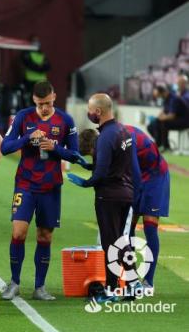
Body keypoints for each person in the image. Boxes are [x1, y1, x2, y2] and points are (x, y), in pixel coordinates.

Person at [0, 81, 80, 301]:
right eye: (39, 103)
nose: (44, 108)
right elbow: (5, 148)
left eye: (47, 103)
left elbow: (75, 155)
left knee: (45, 236)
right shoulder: (23, 117)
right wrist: (27, 138)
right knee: (18, 233)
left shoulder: (65, 120)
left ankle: (40, 287)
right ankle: (14, 283)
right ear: (33, 100)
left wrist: (56, 149)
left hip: (51, 186)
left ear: (54, 96)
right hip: (25, 184)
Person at [78, 123, 169, 293]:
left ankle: (148, 282)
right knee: (128, 228)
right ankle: (130, 278)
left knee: (150, 226)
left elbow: (130, 166)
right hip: (135, 176)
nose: (94, 156)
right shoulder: (107, 139)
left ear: (94, 145)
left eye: (92, 153)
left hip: (155, 175)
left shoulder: (120, 136)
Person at [67, 93, 138, 300]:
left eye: (90, 110)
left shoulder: (105, 137)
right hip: (126, 193)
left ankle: (111, 289)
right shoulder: (123, 131)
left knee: (110, 244)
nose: (89, 114)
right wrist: (88, 164)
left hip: (108, 196)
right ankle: (132, 284)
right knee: (122, 241)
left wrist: (86, 182)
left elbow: (101, 174)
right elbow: (115, 164)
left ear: (98, 111)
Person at [147, 85, 189, 151]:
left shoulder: (174, 99)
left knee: (163, 123)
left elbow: (172, 116)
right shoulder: (165, 100)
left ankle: (165, 146)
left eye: (158, 96)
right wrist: (158, 118)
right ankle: (159, 143)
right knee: (151, 125)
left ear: (162, 92)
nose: (158, 98)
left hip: (184, 121)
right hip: (174, 120)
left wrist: (161, 118)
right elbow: (163, 112)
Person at [20, 36, 50, 104]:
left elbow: (48, 66)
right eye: (34, 41)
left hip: (42, 81)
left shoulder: (41, 54)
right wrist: (40, 68)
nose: (36, 43)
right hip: (30, 81)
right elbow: (29, 64)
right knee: (31, 100)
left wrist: (39, 68)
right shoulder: (26, 53)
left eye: (37, 41)